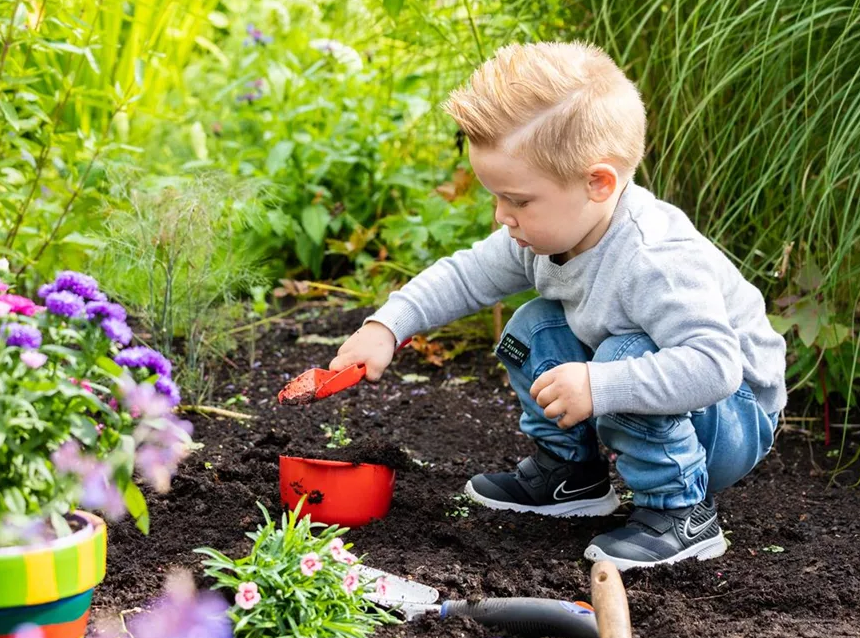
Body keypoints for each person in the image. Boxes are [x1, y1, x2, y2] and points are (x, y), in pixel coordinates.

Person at [329, 41, 786, 570]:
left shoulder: (655, 259)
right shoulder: (547, 234)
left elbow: (715, 368)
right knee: (534, 327)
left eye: (519, 200)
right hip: (669, 390)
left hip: (732, 420)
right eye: (496, 197)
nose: (503, 216)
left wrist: (600, 385)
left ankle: (680, 512)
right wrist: (388, 325)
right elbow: (467, 274)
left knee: (621, 354)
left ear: (598, 183)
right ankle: (573, 476)